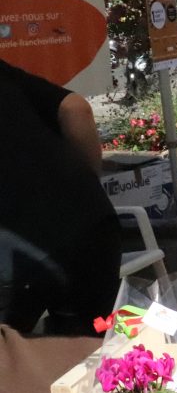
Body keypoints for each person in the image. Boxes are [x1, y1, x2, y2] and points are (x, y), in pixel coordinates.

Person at [0, 59, 121, 335]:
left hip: (18, 250)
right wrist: (87, 187)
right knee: (89, 356)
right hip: (92, 226)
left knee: (9, 365)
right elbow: (75, 109)